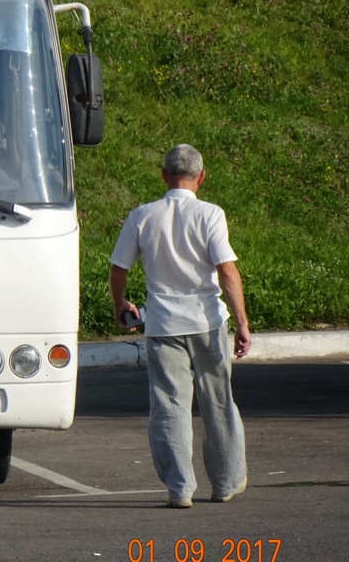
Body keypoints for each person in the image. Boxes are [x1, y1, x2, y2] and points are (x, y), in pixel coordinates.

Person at [108, 144, 252, 509]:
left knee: (170, 406)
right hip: (207, 322)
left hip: (163, 325)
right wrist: (242, 323)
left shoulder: (142, 215)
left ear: (163, 175)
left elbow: (118, 269)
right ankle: (225, 482)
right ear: (201, 177)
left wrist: (120, 304)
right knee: (218, 402)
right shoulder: (211, 214)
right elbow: (227, 271)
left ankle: (179, 488)